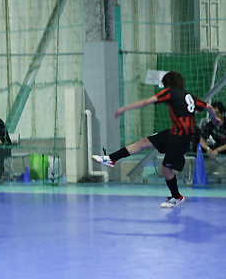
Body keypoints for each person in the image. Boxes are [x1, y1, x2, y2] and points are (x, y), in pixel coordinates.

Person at [93, 71, 221, 208]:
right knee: (143, 143)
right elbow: (208, 107)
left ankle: (176, 197)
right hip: (173, 132)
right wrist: (215, 119)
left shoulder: (169, 92)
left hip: (180, 138)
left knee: (165, 169)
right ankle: (111, 159)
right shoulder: (189, 96)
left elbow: (146, 102)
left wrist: (125, 108)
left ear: (167, 85)